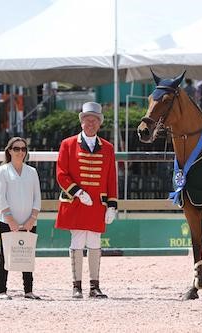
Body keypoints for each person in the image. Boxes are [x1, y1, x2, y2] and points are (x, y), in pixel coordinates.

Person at [55, 101, 117, 299]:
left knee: (95, 242)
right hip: (76, 202)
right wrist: (79, 193)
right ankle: (76, 286)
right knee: (77, 241)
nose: (90, 124)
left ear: (99, 124)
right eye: (87, 120)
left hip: (97, 205)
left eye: (94, 121)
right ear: (81, 122)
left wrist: (112, 206)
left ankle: (94, 286)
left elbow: (111, 179)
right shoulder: (68, 144)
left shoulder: (107, 148)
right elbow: (61, 174)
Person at [0, 137, 42, 300]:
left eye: (23, 149)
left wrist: (32, 218)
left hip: (30, 221)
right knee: (5, 255)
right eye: (16, 149)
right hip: (7, 221)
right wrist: (10, 220)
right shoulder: (3, 171)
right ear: (9, 151)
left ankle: (28, 290)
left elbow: (37, 198)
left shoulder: (32, 172)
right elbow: (0, 197)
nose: (20, 152)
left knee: (27, 254)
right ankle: (2, 290)